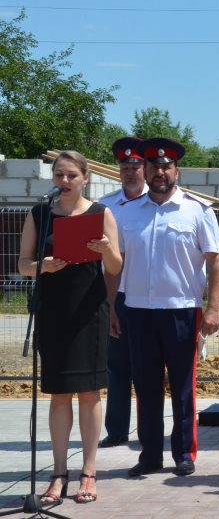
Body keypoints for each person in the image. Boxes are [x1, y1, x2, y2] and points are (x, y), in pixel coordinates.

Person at [114, 137, 219, 477]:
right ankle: (149, 455)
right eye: (153, 167)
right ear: (145, 171)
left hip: (181, 310)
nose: (159, 172)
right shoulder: (125, 213)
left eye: (165, 166)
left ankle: (184, 454)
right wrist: (111, 308)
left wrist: (213, 308)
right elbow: (114, 264)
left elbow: (216, 261)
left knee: (182, 387)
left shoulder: (198, 210)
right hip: (137, 310)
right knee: (145, 387)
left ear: (177, 170)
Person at [18, 150, 122, 504]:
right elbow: (23, 266)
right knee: (59, 394)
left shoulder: (100, 213)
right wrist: (43, 267)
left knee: (89, 394)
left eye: (71, 176)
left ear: (85, 178)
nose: (64, 182)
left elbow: (115, 265)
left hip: (88, 312)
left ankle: (89, 472)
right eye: (59, 175)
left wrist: (106, 248)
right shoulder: (40, 214)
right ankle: (58, 473)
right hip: (54, 313)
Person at [98, 137, 148, 449]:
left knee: (148, 367)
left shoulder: (155, 201)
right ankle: (116, 429)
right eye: (125, 167)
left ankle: (148, 430)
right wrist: (109, 303)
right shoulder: (105, 206)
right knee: (116, 366)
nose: (130, 172)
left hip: (148, 296)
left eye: (135, 166)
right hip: (116, 293)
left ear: (145, 168)